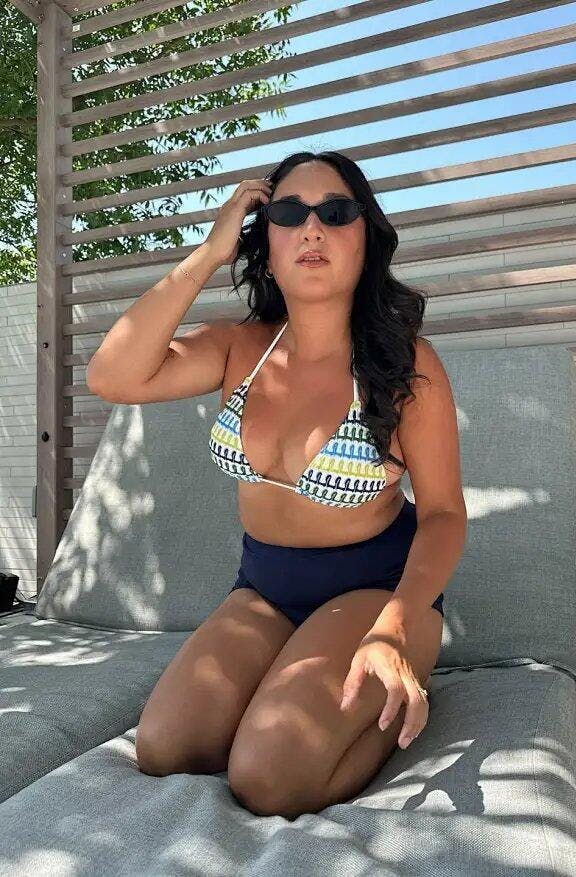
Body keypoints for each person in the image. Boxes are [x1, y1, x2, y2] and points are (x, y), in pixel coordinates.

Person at [86, 150, 467, 820]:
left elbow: (442, 514)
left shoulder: (405, 363)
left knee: (267, 777)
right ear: (266, 239)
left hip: (376, 592)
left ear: (366, 234)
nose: (312, 228)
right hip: (263, 590)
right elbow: (112, 376)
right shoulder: (241, 348)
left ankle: (400, 682)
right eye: (289, 212)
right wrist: (210, 253)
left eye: (336, 211)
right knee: (165, 746)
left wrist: (396, 623)